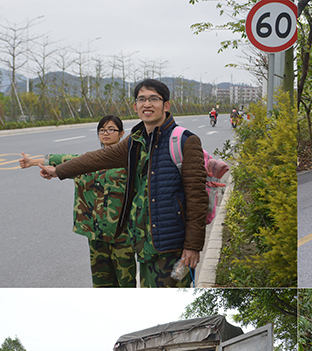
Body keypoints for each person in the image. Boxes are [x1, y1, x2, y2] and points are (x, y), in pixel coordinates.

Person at [37, 79, 208, 288]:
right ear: (135, 106)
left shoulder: (184, 140)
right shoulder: (135, 141)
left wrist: (192, 245)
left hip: (172, 246)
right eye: (142, 99)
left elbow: (197, 198)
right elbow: (98, 158)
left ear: (166, 105)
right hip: (144, 245)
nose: (147, 104)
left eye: (154, 99)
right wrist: (59, 170)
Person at [19, 116, 136, 287]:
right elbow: (61, 160)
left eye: (111, 129)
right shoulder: (87, 161)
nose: (106, 133)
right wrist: (32, 162)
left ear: (122, 134)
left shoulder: (130, 163)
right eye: (102, 130)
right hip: (95, 234)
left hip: (122, 234)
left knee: (126, 284)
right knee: (101, 283)